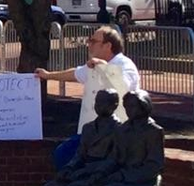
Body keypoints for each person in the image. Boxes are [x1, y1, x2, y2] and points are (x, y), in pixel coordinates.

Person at [36, 25, 140, 170]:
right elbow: (76, 74)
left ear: (108, 45)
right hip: (93, 130)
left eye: (93, 41)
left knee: (76, 160)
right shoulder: (95, 65)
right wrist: (48, 75)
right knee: (62, 155)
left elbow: (123, 87)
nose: (89, 44)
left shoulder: (124, 65)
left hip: (116, 133)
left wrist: (105, 68)